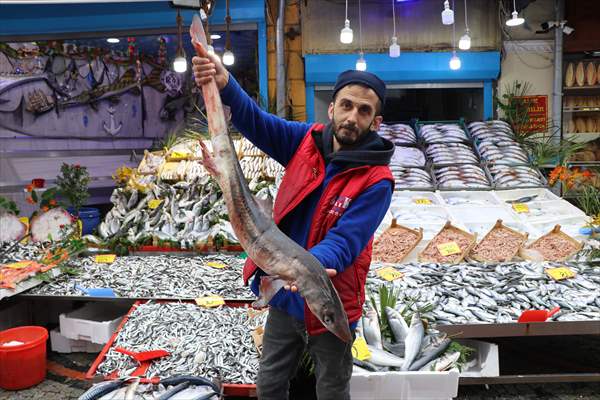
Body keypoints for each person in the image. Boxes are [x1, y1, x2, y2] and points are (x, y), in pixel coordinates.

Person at [192, 54, 394, 400]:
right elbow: (258, 122)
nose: (352, 117)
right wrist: (225, 84)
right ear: (331, 109)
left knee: (331, 389)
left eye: (364, 111)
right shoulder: (306, 141)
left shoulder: (377, 181)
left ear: (376, 122)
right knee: (269, 384)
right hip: (286, 297)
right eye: (346, 105)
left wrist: (304, 272)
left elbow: (345, 241)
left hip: (332, 300)